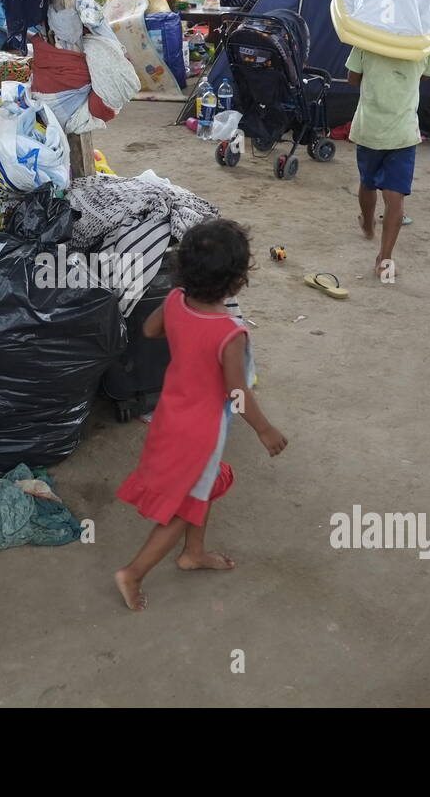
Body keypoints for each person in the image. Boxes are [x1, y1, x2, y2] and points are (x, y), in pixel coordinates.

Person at [114, 219, 288, 612]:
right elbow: (236, 391)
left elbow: (151, 330)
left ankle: (193, 553)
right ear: (237, 280)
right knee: (182, 510)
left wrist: (184, 333)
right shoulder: (229, 333)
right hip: (200, 435)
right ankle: (133, 574)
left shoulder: (175, 299)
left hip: (169, 418)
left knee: (201, 489)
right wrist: (264, 429)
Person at [346, 44, 430, 279]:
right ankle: (384, 260)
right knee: (395, 197)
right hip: (403, 132)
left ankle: (368, 226)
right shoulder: (423, 41)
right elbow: (428, 74)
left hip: (370, 128)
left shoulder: (365, 39)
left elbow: (352, 78)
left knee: (368, 182)